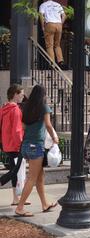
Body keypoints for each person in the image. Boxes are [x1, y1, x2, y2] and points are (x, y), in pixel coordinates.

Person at [15, 84, 59, 217]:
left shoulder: (26, 106)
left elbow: (23, 126)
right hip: (36, 146)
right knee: (32, 178)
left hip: (26, 145)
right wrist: (54, 137)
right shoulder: (44, 107)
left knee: (40, 177)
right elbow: (48, 125)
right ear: (43, 95)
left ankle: (44, 204)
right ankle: (20, 207)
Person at [0, 84, 28, 206]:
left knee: (14, 170)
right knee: (16, 170)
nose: (23, 96)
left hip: (6, 144)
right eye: (21, 94)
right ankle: (16, 196)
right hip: (15, 145)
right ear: (15, 94)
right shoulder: (16, 110)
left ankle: (16, 198)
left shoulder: (4, 108)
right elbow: (17, 130)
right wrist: (21, 144)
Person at [39, 0, 67, 69]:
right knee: (57, 45)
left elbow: (41, 16)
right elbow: (64, 16)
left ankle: (52, 63)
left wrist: (42, 26)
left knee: (49, 45)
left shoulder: (43, 5)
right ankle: (60, 61)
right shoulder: (58, 4)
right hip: (58, 24)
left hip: (50, 24)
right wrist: (60, 24)